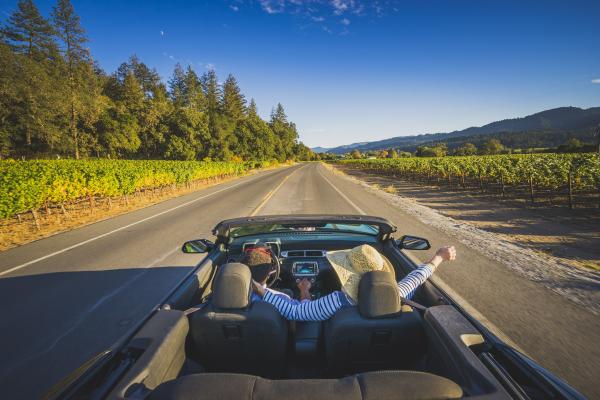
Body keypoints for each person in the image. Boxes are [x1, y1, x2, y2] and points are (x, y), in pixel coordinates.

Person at [247, 242, 456, 321]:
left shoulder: (336, 301)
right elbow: (417, 277)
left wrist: (303, 290)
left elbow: (298, 312)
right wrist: (439, 257)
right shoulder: (396, 294)